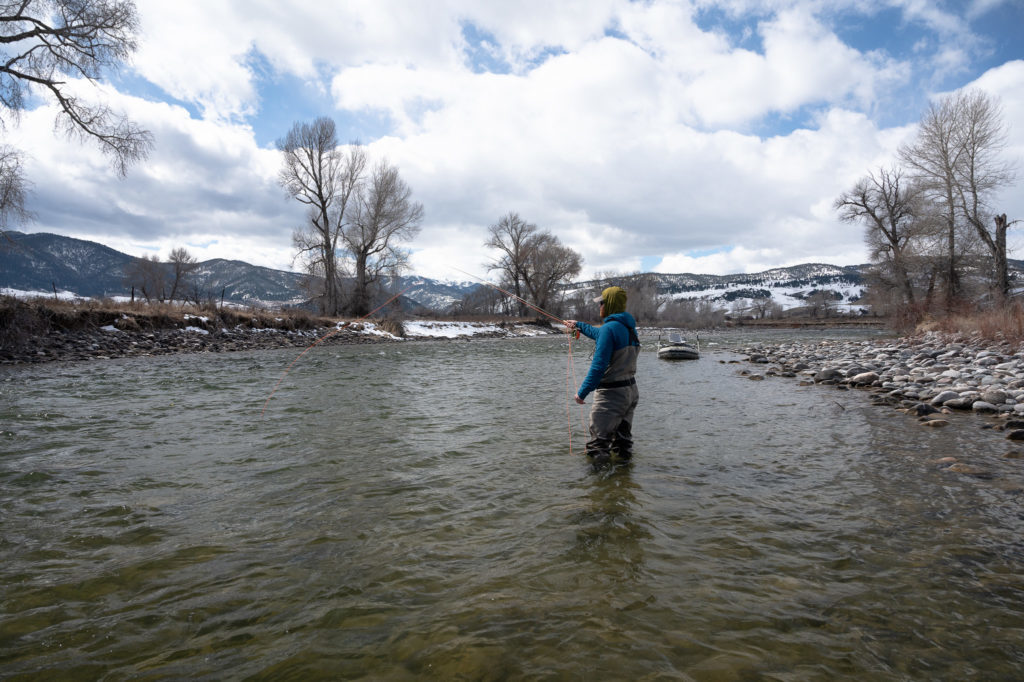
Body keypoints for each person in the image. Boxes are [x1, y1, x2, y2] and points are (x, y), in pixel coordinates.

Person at [564, 286, 641, 469]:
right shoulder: (628, 328)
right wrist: (579, 325)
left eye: (601, 302)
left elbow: (598, 367)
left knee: (598, 446)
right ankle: (624, 485)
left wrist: (582, 393)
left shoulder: (609, 329)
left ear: (609, 304)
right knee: (622, 444)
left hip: (611, 395)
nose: (599, 306)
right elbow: (598, 334)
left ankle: (599, 491)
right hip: (630, 392)